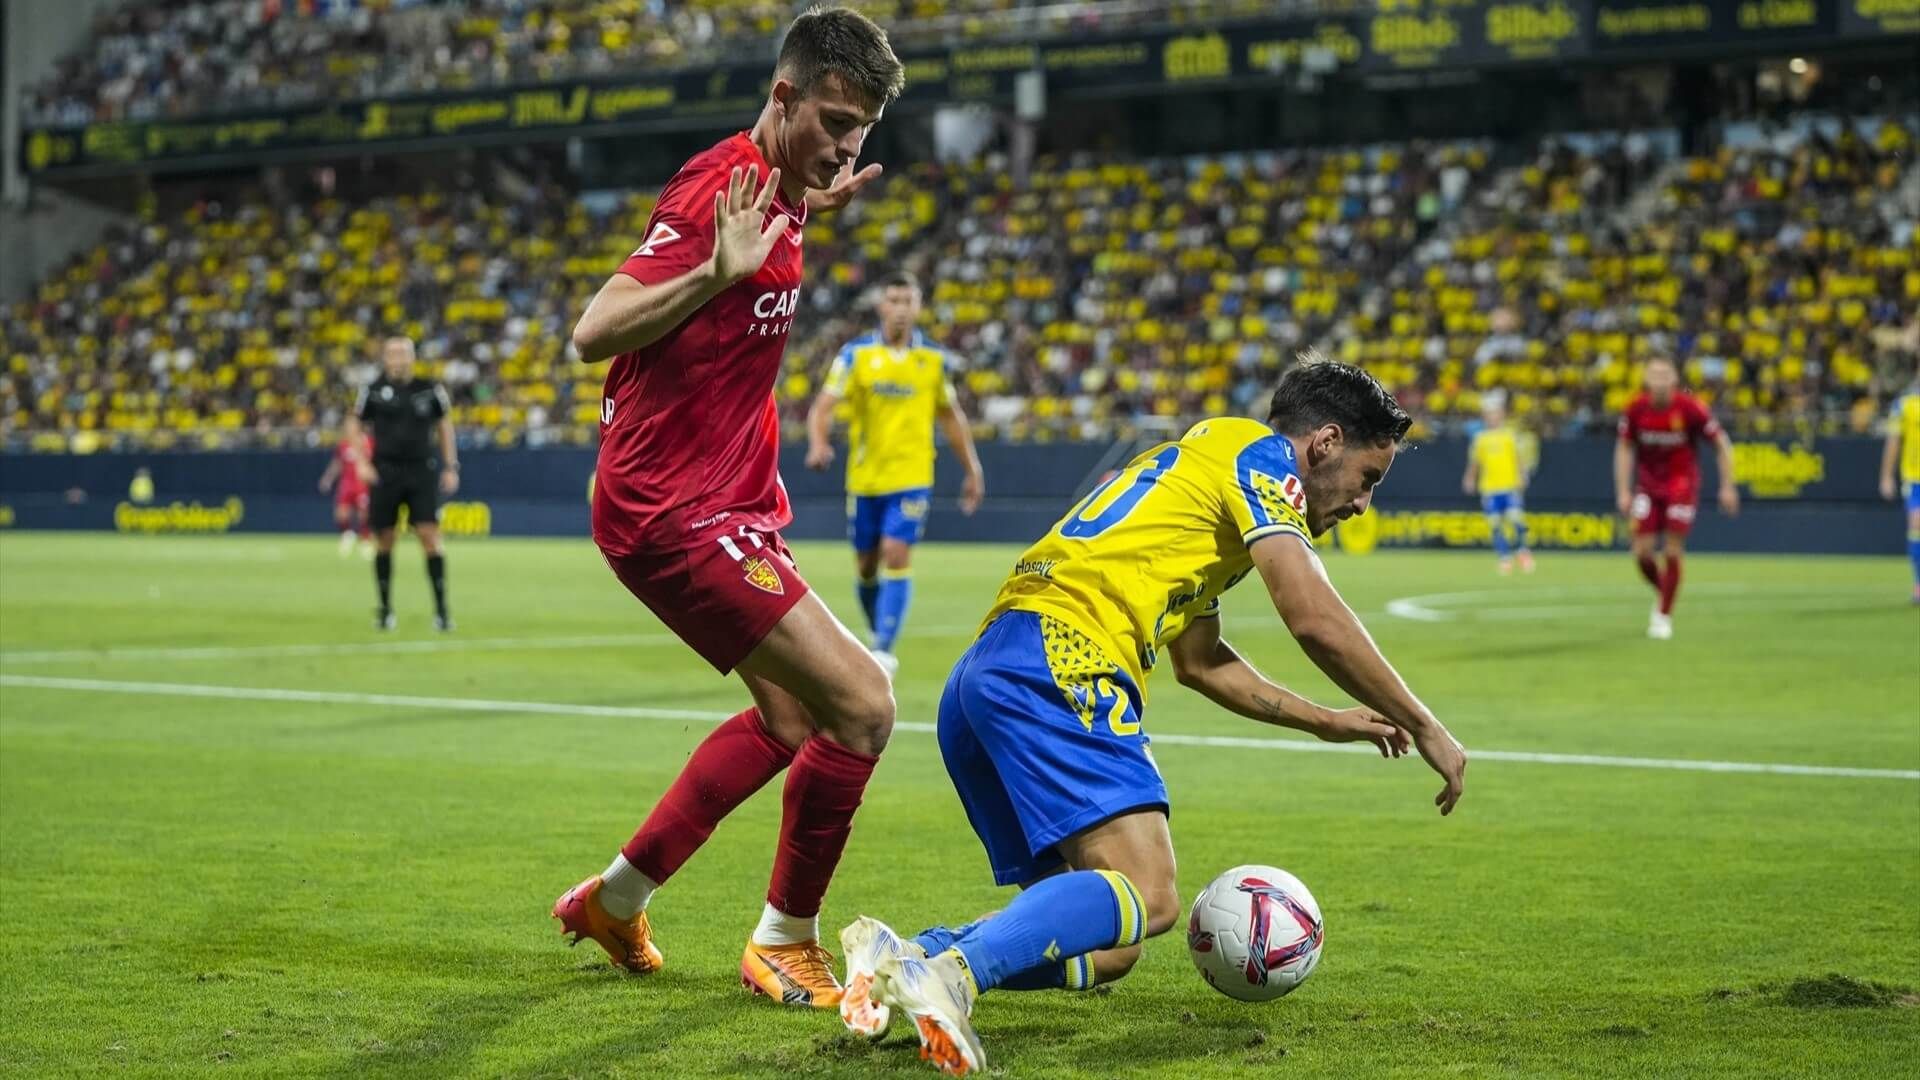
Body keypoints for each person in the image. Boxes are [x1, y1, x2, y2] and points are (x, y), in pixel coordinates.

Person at [836, 360, 1468, 1076]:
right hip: (1063, 656)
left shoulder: (1201, 481)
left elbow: (1201, 662)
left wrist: (1322, 719)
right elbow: (1312, 614)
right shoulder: (1262, 458)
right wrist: (1421, 721)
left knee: (1112, 948)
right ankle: (952, 975)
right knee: (1152, 893)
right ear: (1323, 443)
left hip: (989, 671)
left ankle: (908, 954)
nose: (1361, 504)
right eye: (1368, 478)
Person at [554, 6, 905, 1011]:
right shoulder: (721, 191)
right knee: (864, 706)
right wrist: (714, 268)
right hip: (675, 509)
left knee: (794, 716)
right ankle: (783, 941)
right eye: (833, 119)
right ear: (784, 95)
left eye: (862, 132)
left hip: (723, 497)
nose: (845, 145)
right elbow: (594, 329)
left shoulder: (786, 186)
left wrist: (809, 200)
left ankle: (613, 902)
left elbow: (781, 212)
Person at [804, 270, 986, 673]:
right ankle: (878, 632)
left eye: (909, 301)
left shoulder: (933, 361)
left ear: (919, 307)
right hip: (866, 478)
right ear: (881, 306)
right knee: (867, 565)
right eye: (894, 300)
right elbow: (823, 406)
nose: (901, 309)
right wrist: (819, 443)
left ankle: (884, 650)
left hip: (913, 477)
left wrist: (972, 469)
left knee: (895, 553)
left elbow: (951, 417)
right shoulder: (855, 356)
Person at [1613, 355, 1738, 640]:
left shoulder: (1690, 407)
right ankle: (1665, 593)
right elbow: (1623, 448)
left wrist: (1728, 486)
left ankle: (1663, 616)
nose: (1658, 380)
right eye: (1653, 374)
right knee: (1642, 552)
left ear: (1674, 379)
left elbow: (1721, 443)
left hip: (1681, 486)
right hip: (1647, 487)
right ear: (1645, 378)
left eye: (1664, 374)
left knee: (1671, 550)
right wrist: (1622, 490)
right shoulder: (1635, 409)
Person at [345, 337, 458, 631]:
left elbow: (445, 426)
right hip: (385, 472)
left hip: (422, 470)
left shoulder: (429, 389)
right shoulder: (371, 391)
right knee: (385, 538)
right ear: (385, 358)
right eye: (393, 353)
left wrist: (450, 465)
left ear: (412, 357)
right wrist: (361, 461)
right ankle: (385, 610)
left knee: (429, 535)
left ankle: (442, 611)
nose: (398, 358)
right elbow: (353, 423)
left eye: (403, 353)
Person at [1462, 394, 1534, 574]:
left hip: (1509, 486)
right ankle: (1504, 558)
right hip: (1490, 488)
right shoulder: (1480, 439)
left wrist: (1523, 475)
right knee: (1495, 525)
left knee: (1516, 519)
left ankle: (1523, 552)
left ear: (1501, 415)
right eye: (1489, 414)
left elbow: (1518, 459)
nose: (1493, 417)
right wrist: (1469, 479)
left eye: (1496, 414)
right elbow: (1475, 463)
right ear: (1485, 417)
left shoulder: (1509, 436)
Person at [1878, 365, 1920, 603]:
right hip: (1915, 479)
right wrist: (1886, 476)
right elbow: (1893, 442)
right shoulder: (1905, 405)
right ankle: (1919, 583)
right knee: (1917, 524)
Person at [319, 428, 374, 558]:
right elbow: (337, 464)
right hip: (347, 484)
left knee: (364, 514)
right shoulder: (343, 445)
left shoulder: (368, 443)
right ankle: (347, 534)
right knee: (341, 514)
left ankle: (365, 540)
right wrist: (328, 478)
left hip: (362, 484)